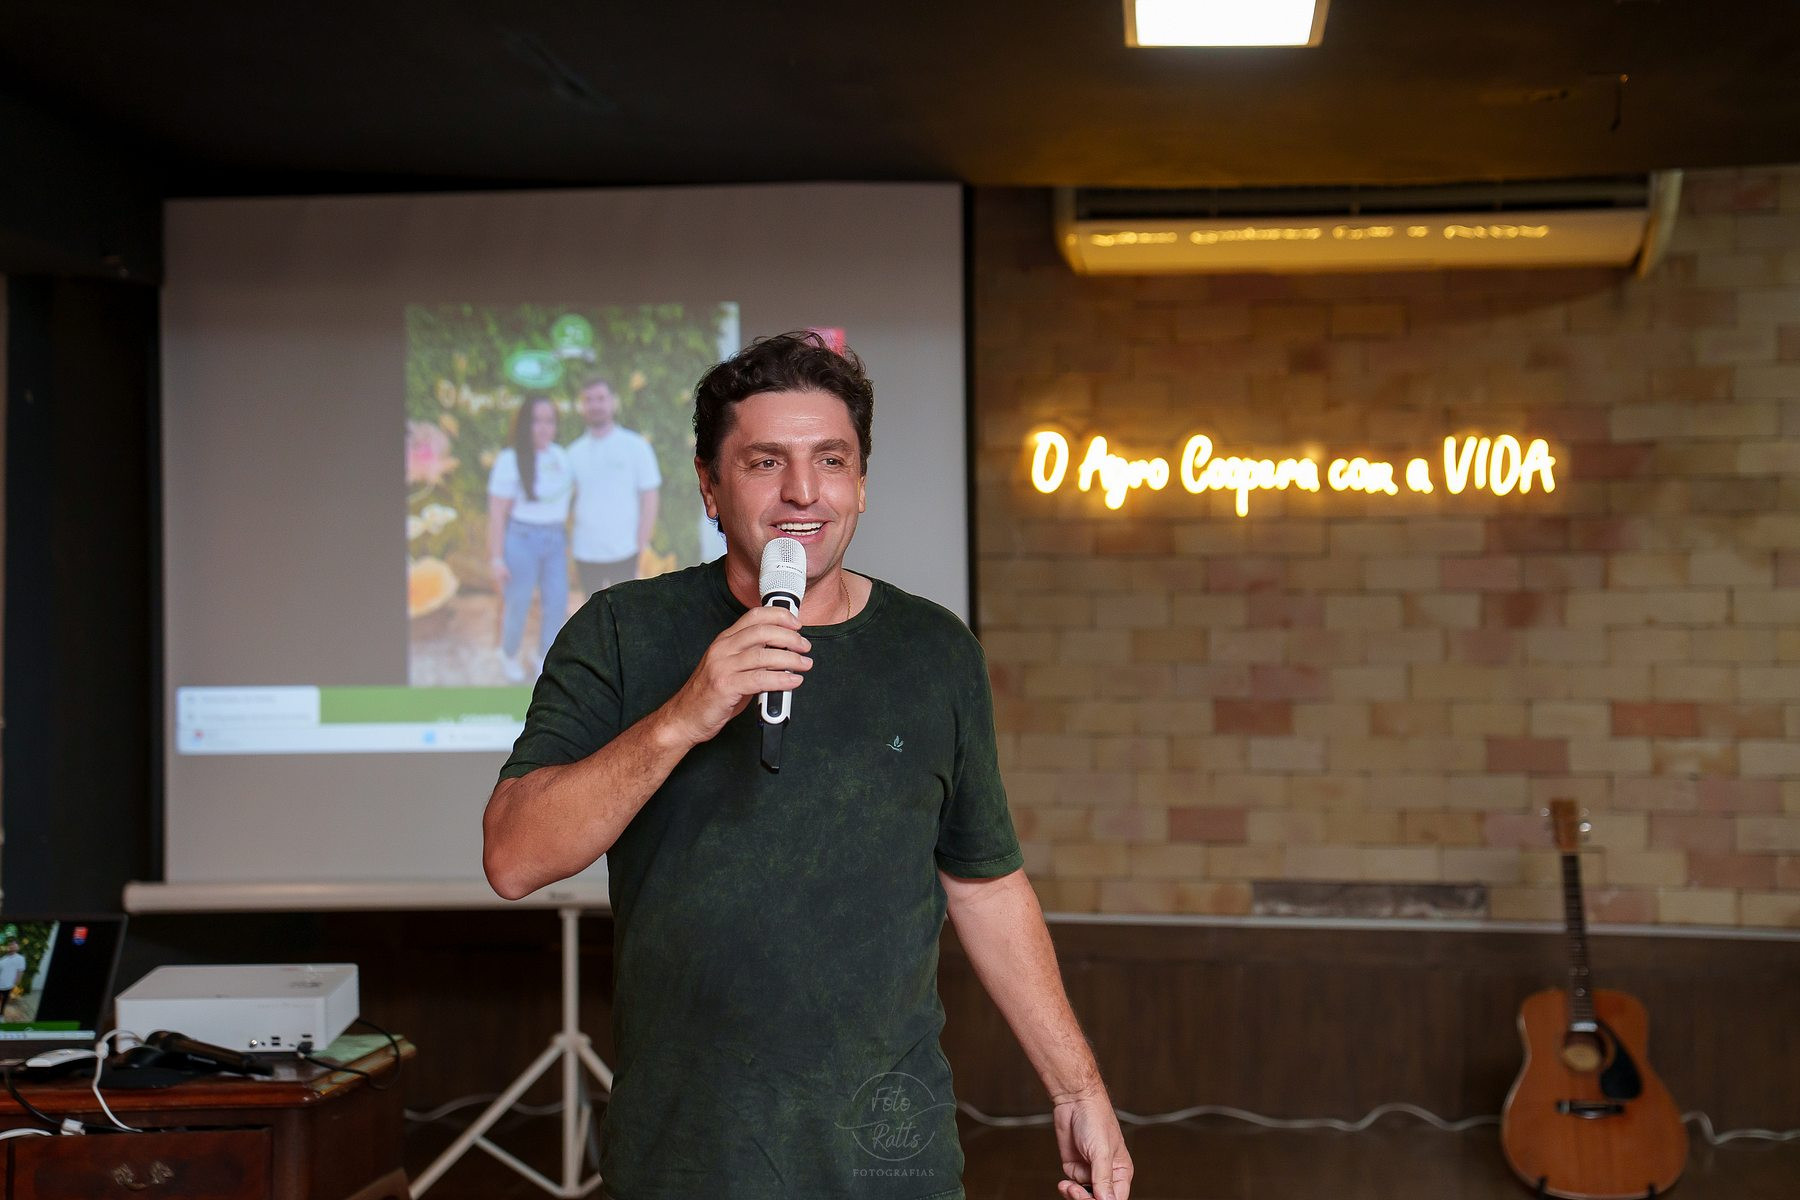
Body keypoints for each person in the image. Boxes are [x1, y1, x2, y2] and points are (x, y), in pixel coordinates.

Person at [483, 333, 1133, 1200]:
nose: (803, 491)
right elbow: (514, 857)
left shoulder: (934, 651)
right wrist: (683, 716)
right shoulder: (621, 631)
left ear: (860, 484)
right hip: (688, 1157)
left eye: (832, 460)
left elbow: (985, 885)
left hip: (888, 1158)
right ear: (710, 486)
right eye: (765, 462)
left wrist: (1078, 1090)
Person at [487, 395, 574, 683]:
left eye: (549, 421)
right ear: (525, 424)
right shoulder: (509, 460)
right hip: (521, 539)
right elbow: (497, 514)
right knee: (518, 603)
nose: (544, 427)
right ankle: (509, 654)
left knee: (557, 602)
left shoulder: (561, 457)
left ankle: (543, 657)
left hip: (555, 540)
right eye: (537, 420)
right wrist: (496, 558)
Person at [567, 376, 662, 594]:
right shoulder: (572, 453)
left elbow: (649, 498)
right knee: (592, 610)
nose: (595, 405)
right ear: (582, 406)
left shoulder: (636, 446)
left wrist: (641, 545)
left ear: (613, 401)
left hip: (626, 551)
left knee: (624, 610)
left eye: (601, 398)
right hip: (585, 552)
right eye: (589, 400)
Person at [0, 940, 25, 1018]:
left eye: (14, 945)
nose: (12, 946)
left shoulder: (20, 958)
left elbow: (20, 971)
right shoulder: (4, 958)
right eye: (10, 945)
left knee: (4, 1001)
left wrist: (15, 984)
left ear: (18, 947)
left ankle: (1, 1015)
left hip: (8, 985)